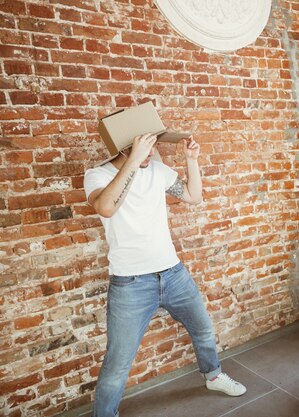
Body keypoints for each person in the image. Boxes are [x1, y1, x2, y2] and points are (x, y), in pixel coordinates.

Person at [84, 133, 246, 417]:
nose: (151, 153)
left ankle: (214, 376)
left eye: (152, 145)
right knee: (118, 363)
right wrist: (133, 161)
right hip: (130, 283)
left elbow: (193, 197)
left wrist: (191, 161)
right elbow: (105, 207)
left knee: (203, 329)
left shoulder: (157, 170)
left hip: (173, 273)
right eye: (144, 147)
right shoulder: (97, 174)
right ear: (124, 146)